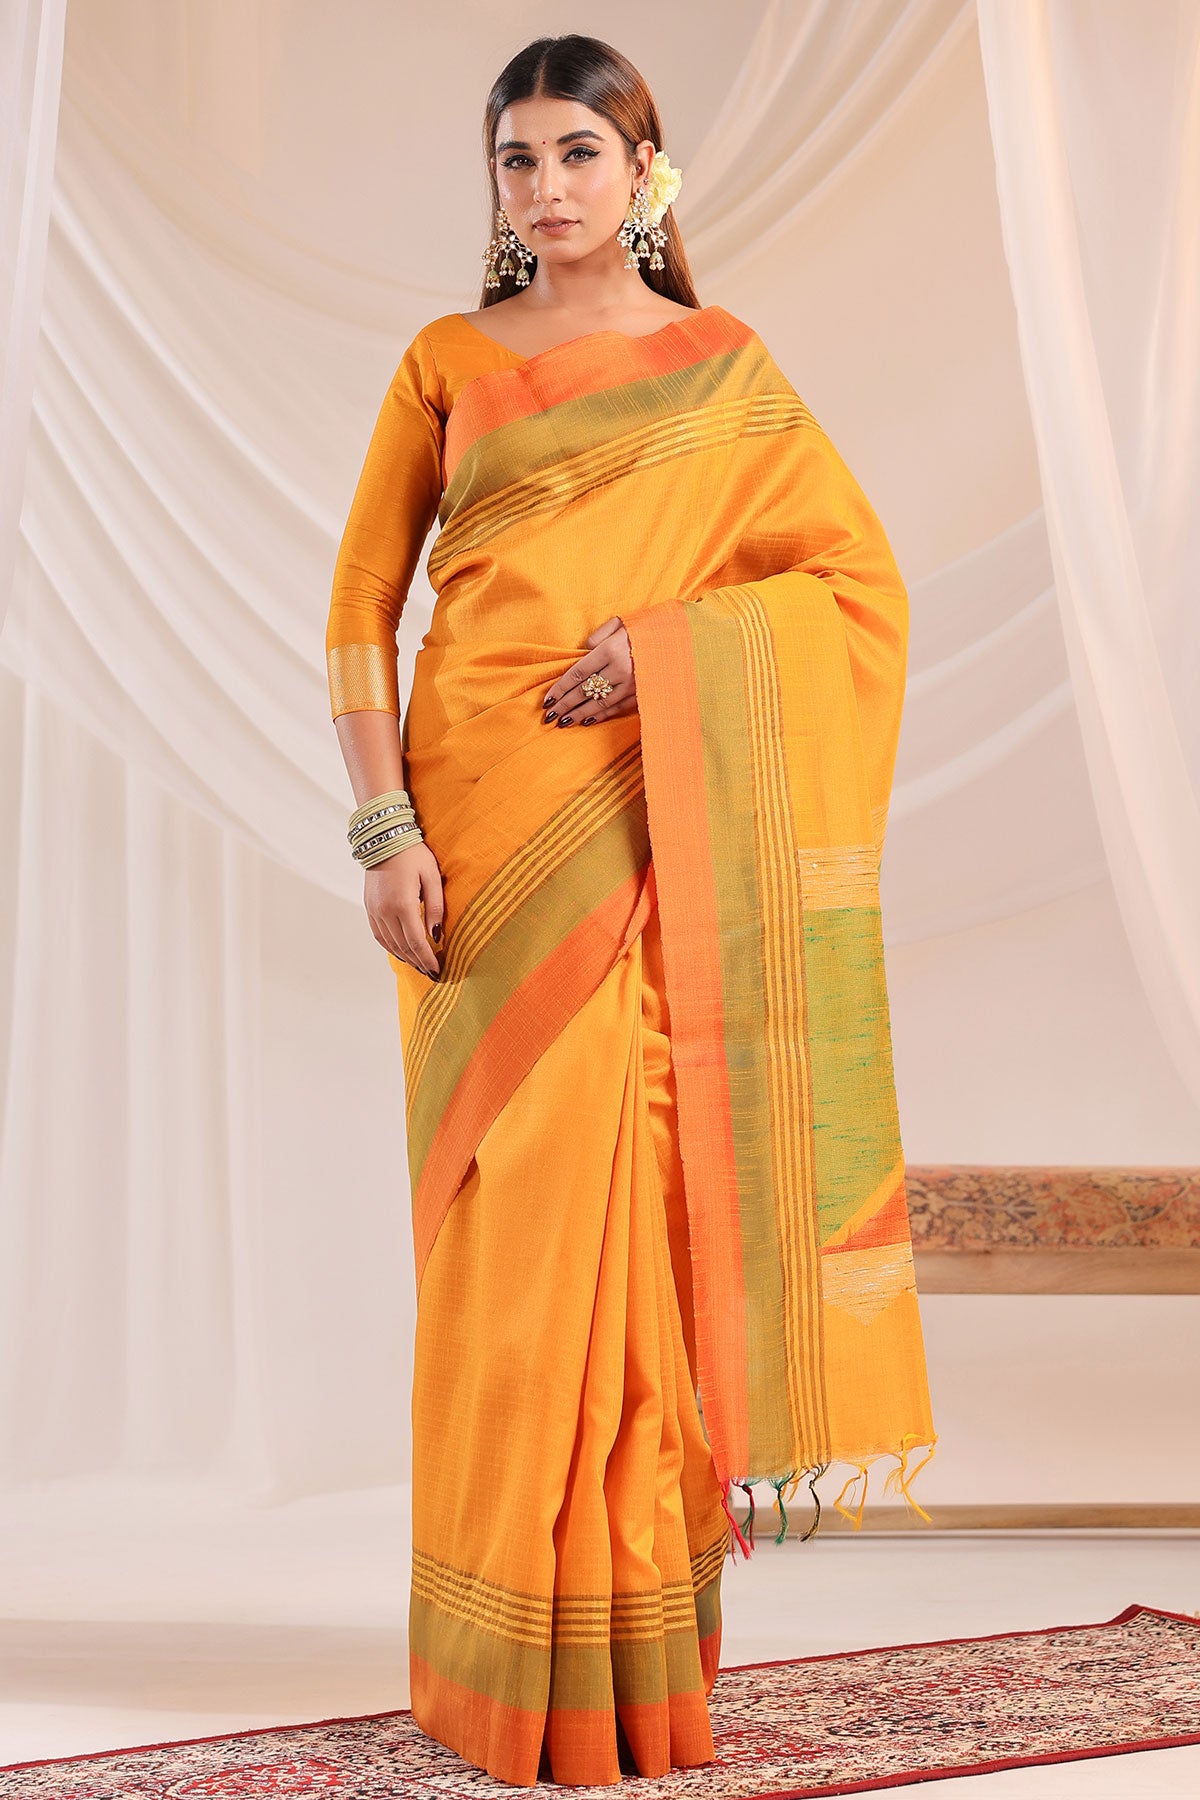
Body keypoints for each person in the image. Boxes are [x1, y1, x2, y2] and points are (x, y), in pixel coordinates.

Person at [325, 31, 938, 1790]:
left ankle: (626, 1664)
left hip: (643, 825)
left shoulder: (723, 368)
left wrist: (668, 648)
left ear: (644, 171)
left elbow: (855, 590)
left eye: (579, 153)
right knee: (510, 1241)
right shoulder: (447, 361)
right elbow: (361, 604)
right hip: (476, 828)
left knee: (645, 1225)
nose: (547, 188)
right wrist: (382, 827)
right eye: (517, 160)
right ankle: (492, 1664)